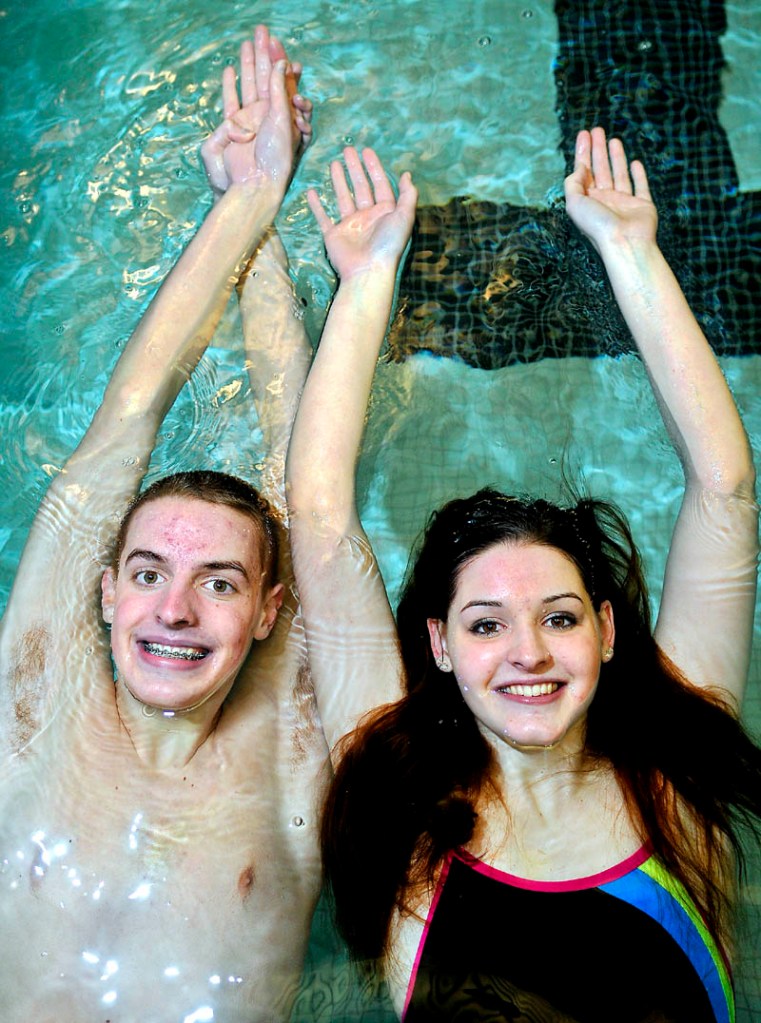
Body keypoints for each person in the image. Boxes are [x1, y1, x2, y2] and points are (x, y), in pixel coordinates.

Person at [287, 129, 761, 1020]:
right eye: (484, 623)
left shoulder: (676, 786)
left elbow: (725, 490)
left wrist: (630, 251)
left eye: (559, 616)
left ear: (608, 630)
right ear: (437, 644)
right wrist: (365, 283)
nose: (527, 653)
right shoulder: (405, 812)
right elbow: (318, 517)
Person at [0, 27, 382, 1022]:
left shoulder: (294, 755)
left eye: (219, 581)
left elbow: (304, 492)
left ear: (267, 611)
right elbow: (114, 441)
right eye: (145, 573)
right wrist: (242, 203)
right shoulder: (34, 713)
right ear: (103, 587)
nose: (172, 610)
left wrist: (253, 219)